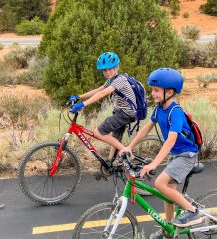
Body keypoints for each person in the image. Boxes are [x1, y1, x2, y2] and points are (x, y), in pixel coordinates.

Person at [120, 68, 200, 238]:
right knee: (168, 195)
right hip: (175, 154)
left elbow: (171, 140)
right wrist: (129, 146)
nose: (152, 93)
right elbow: (146, 129)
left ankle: (193, 210)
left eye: (156, 90)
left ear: (169, 92)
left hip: (186, 155)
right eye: (152, 90)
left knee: (160, 184)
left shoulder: (175, 112)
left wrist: (154, 163)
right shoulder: (158, 109)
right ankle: (170, 231)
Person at [69, 52, 138, 161]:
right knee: (115, 139)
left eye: (110, 69)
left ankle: (126, 151)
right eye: (104, 70)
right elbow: (98, 90)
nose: (107, 72)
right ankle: (111, 163)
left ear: (117, 67)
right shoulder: (112, 79)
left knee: (98, 132)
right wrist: (79, 97)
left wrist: (83, 104)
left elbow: (102, 94)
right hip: (121, 112)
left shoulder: (120, 80)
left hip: (126, 113)